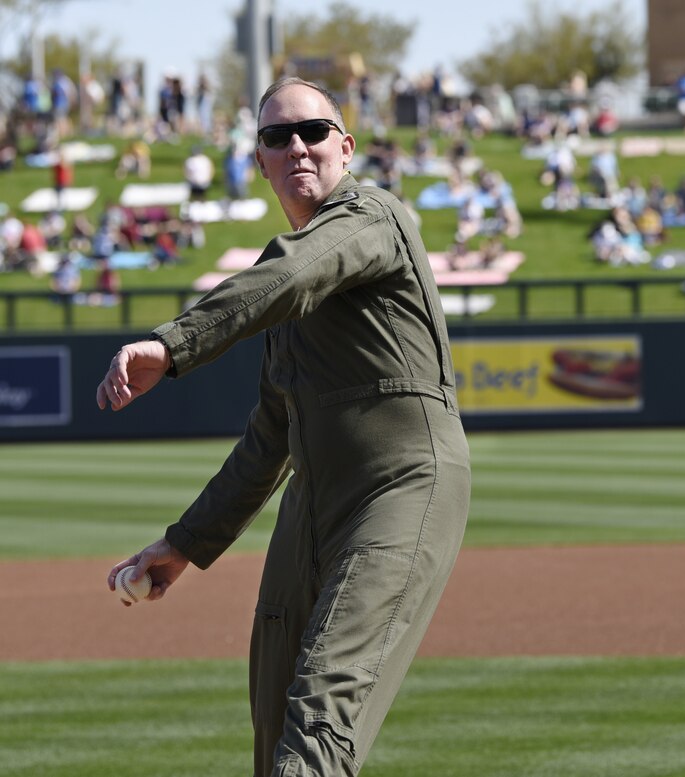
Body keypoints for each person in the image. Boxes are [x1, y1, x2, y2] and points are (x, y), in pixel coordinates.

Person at [96, 77, 471, 777]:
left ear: (346, 147)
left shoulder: (371, 216)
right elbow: (270, 438)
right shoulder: (292, 297)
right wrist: (183, 543)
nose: (297, 146)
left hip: (403, 484)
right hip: (314, 502)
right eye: (277, 137)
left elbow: (296, 270)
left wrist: (173, 345)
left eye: (314, 131)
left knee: (324, 701)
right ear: (260, 160)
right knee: (275, 715)